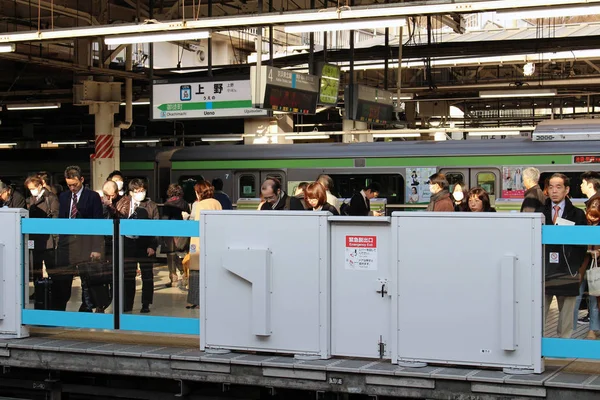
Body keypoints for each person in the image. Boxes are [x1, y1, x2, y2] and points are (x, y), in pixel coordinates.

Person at [543, 173, 587, 339]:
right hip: (543, 270)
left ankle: (563, 347)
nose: (554, 191)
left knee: (566, 315)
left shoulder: (577, 214)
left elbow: (582, 245)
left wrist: (575, 267)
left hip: (567, 269)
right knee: (538, 312)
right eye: (551, 187)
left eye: (558, 187)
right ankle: (536, 350)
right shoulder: (540, 212)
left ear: (566, 190)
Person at [56, 165, 103, 312]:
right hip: (67, 243)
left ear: (81, 179)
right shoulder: (63, 197)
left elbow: (98, 223)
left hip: (85, 243)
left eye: (74, 185)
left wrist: (96, 248)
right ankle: (60, 307)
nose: (72, 188)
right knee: (63, 278)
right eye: (69, 185)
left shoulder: (92, 196)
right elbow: (61, 220)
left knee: (87, 278)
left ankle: (87, 307)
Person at [116, 179, 160, 313]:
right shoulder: (123, 203)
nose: (140, 193)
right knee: (128, 275)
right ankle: (127, 304)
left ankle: (146, 303)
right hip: (128, 243)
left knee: (147, 275)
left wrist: (153, 245)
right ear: (131, 192)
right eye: (137, 191)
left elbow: (156, 227)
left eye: (142, 190)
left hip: (145, 244)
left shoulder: (151, 205)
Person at [187, 181, 222, 309]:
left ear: (199, 192)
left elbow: (196, 223)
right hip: (213, 242)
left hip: (198, 243)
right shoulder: (216, 203)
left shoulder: (200, 204)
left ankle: (196, 301)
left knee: (196, 272)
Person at [25, 175, 59, 305]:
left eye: (33, 188)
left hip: (48, 239)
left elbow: (56, 217)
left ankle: (52, 292)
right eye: (30, 189)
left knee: (51, 268)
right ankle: (39, 292)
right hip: (35, 239)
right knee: (36, 268)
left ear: (40, 186)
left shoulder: (50, 198)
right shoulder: (33, 199)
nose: (32, 191)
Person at [161, 183, 191, 288]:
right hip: (182, 231)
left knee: (171, 255)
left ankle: (173, 278)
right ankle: (185, 275)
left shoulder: (167, 204)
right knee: (181, 253)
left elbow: (165, 219)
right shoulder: (184, 203)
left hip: (170, 232)